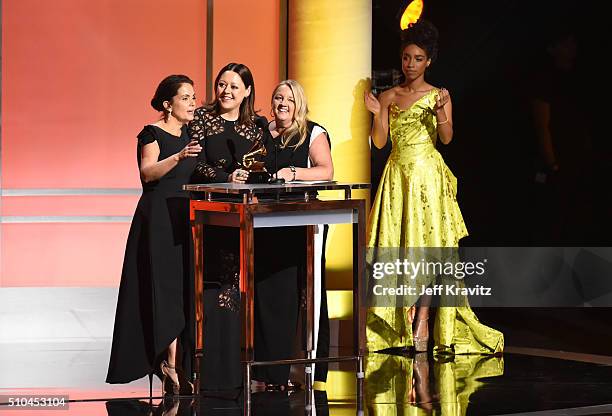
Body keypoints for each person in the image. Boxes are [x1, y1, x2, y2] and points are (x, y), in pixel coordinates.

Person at [364, 20, 503, 355]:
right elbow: (380, 143)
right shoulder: (388, 96)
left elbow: (447, 138)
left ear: (429, 61)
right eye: (407, 57)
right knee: (399, 247)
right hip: (398, 175)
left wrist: (441, 112)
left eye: (418, 58)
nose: (410, 64)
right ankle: (402, 314)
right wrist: (377, 113)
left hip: (427, 176)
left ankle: (423, 316)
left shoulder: (438, 95)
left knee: (429, 249)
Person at [106, 75, 201, 396]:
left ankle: (177, 362)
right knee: (165, 289)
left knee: (185, 288)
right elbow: (147, 173)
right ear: (167, 104)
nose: (192, 103)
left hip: (188, 218)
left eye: (193, 97)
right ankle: (169, 362)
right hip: (158, 218)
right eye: (186, 97)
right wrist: (177, 156)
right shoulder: (152, 133)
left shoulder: (194, 134)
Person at [188, 62, 267, 392]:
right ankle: (212, 374)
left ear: (247, 91)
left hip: (246, 217)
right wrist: (225, 178)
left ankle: (241, 372)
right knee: (216, 287)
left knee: (241, 289)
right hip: (211, 214)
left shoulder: (257, 125)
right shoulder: (203, 119)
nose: (226, 91)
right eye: (222, 84)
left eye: (234, 86)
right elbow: (195, 162)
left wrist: (253, 174)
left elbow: (265, 164)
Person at [252, 79, 333, 390]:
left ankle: (306, 368)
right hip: (267, 221)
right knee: (269, 292)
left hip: (302, 220)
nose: (282, 103)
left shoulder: (313, 132)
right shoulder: (264, 133)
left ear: (299, 103)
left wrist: (294, 174)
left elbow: (326, 171)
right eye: (277, 97)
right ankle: (269, 372)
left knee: (304, 292)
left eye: (288, 98)